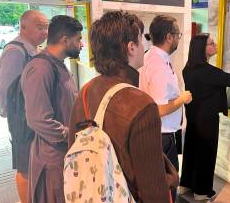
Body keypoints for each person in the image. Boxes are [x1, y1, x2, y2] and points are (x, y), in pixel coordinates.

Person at [69, 11, 175, 203]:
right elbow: (153, 189)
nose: (145, 46)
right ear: (131, 47)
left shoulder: (85, 91)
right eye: (141, 40)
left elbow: (72, 148)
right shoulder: (142, 105)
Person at [179, 33, 230, 201]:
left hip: (193, 117)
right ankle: (201, 191)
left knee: (192, 150)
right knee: (206, 153)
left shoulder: (188, 69)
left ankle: (186, 184)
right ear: (203, 49)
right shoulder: (209, 72)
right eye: (211, 43)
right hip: (207, 119)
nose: (215, 45)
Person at [21, 15, 83, 203]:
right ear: (65, 39)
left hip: (63, 154)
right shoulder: (41, 68)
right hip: (52, 160)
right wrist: (70, 133)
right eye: (78, 39)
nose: (81, 44)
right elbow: (38, 119)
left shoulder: (58, 65)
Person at [0, 10, 48, 203]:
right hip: (21, 118)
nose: (45, 31)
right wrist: (10, 114)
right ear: (23, 27)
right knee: (24, 166)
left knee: (32, 161)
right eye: (40, 26)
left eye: (46, 27)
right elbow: (3, 88)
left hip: (30, 117)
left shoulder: (33, 49)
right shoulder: (15, 51)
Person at [139, 15, 192, 201]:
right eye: (178, 34)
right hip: (162, 137)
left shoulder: (153, 57)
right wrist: (182, 99)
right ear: (169, 37)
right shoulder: (158, 64)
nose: (179, 38)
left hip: (160, 134)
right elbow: (159, 109)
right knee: (168, 188)